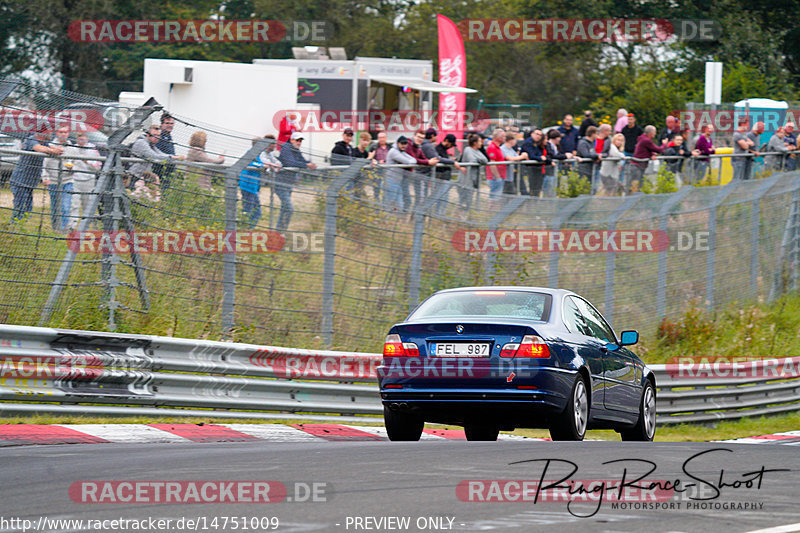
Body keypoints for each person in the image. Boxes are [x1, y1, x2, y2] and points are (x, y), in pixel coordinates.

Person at [10, 124, 64, 222]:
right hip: (19, 180)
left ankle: (23, 224)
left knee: (28, 207)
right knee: (20, 205)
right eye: (49, 131)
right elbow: (39, 148)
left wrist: (58, 149)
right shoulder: (31, 140)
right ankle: (14, 224)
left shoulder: (44, 142)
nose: (51, 133)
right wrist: (53, 150)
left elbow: (50, 147)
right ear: (42, 132)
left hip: (30, 181)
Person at [129, 124, 183, 202]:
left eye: (158, 136)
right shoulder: (141, 143)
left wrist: (175, 157)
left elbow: (161, 154)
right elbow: (153, 156)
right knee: (134, 198)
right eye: (154, 135)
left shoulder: (151, 145)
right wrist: (173, 157)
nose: (157, 138)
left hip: (142, 177)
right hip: (134, 176)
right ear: (148, 135)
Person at [276, 132, 317, 231]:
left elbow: (302, 160)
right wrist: (307, 165)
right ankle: (281, 230)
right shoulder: (286, 148)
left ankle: (279, 231)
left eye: (300, 141)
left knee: (284, 209)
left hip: (288, 183)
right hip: (280, 183)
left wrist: (310, 163)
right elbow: (290, 162)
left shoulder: (296, 150)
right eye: (297, 140)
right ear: (292, 140)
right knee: (289, 208)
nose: (299, 143)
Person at [42, 125, 74, 231]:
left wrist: (72, 167)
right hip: (53, 181)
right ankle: (55, 227)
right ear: (57, 133)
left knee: (65, 206)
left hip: (67, 181)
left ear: (68, 134)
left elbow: (76, 163)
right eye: (61, 132)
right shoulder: (50, 146)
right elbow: (44, 164)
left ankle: (63, 229)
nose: (63, 134)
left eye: (65, 132)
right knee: (55, 206)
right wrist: (45, 177)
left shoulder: (72, 147)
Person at [68, 131, 102, 227]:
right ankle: (72, 225)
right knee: (74, 204)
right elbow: (68, 161)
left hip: (88, 180)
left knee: (87, 205)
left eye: (82, 138)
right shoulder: (73, 148)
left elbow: (98, 166)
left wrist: (87, 162)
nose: (81, 140)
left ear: (86, 139)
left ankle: (89, 224)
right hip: (75, 179)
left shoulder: (92, 149)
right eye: (78, 138)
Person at [404, 129, 439, 210]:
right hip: (398, 174)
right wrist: (428, 162)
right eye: (418, 137)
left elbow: (423, 157)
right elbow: (414, 159)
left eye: (422, 138)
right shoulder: (408, 144)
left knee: (412, 200)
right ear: (414, 136)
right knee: (404, 199)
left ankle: (412, 218)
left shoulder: (419, 146)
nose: (420, 139)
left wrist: (429, 161)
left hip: (406, 175)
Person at [385, 136, 417, 212]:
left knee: (399, 205)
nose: (404, 145)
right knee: (390, 204)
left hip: (398, 181)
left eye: (405, 143)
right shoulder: (394, 151)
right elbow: (408, 162)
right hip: (391, 181)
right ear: (397, 143)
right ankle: (386, 221)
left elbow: (414, 160)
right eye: (402, 143)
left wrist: (410, 161)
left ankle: (394, 221)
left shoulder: (401, 151)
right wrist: (410, 161)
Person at [628, 125, 664, 192]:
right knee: (635, 185)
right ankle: (631, 199)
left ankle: (636, 199)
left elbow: (647, 149)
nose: (655, 134)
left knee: (640, 185)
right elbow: (658, 150)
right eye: (654, 132)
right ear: (650, 133)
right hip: (637, 166)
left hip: (639, 166)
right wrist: (664, 144)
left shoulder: (642, 138)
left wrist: (652, 154)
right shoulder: (646, 140)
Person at [459, 133, 488, 211]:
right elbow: (472, 160)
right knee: (463, 200)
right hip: (466, 179)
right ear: (475, 143)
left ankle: (467, 215)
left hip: (474, 178)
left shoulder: (478, 151)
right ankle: (460, 216)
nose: (481, 143)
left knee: (470, 199)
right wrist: (479, 160)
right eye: (479, 141)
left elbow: (485, 160)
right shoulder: (468, 149)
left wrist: (479, 160)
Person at [521, 129, 548, 196]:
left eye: (540, 135)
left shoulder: (536, 143)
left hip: (536, 168)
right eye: (537, 134)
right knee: (533, 186)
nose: (538, 136)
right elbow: (532, 156)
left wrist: (541, 157)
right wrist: (540, 158)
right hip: (530, 168)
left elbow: (538, 153)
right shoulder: (528, 143)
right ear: (532, 134)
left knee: (537, 186)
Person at [154, 112, 176, 189]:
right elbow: (158, 152)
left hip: (168, 170)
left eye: (172, 123)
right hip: (159, 170)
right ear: (162, 124)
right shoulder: (158, 136)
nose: (170, 125)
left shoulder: (169, 136)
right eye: (167, 123)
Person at [544, 129, 569, 197]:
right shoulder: (548, 145)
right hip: (549, 171)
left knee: (555, 187)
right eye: (559, 137)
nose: (560, 139)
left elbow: (559, 154)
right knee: (549, 189)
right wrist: (565, 156)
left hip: (555, 171)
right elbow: (553, 156)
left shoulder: (556, 146)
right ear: (556, 138)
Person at [485, 129, 507, 200]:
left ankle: (494, 209)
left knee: (497, 196)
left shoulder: (498, 147)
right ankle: (491, 209)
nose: (504, 138)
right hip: (495, 177)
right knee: (494, 196)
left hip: (500, 176)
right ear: (497, 137)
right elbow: (492, 163)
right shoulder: (492, 147)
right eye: (503, 136)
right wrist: (497, 176)